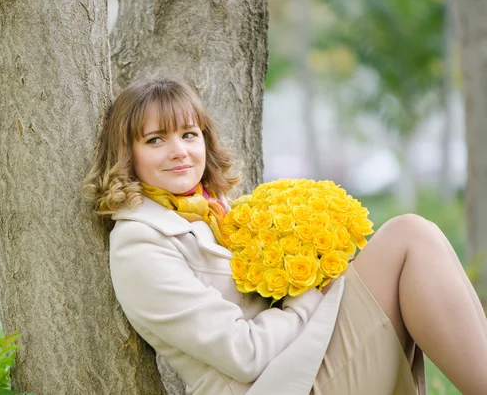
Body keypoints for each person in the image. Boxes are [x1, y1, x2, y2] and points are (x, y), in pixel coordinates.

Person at [83, 75, 487, 395]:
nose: (180, 151)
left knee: (413, 237)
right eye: (156, 140)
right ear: (126, 154)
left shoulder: (217, 212)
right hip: (279, 385)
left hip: (307, 360)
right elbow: (244, 354)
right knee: (408, 236)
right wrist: (311, 292)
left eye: (189, 135)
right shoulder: (141, 245)